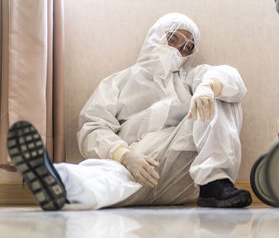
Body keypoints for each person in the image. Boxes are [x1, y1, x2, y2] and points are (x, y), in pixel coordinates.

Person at [7, 13, 252, 211]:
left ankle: (215, 184)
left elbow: (231, 78)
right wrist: (125, 156)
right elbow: (93, 127)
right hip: (132, 166)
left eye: (187, 47)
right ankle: (55, 180)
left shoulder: (189, 78)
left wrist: (208, 87)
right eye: (174, 39)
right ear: (155, 36)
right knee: (105, 180)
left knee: (220, 97)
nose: (179, 50)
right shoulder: (117, 83)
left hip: (182, 171)